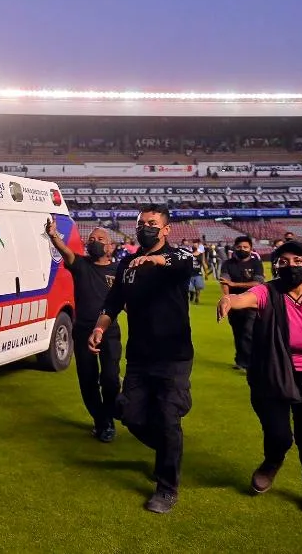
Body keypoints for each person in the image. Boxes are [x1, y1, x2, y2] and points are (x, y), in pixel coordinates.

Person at [216, 241, 302, 516]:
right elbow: (246, 299)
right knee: (279, 435)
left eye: (298, 261)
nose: (291, 266)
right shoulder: (268, 292)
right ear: (275, 266)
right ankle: (271, 462)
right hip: (272, 376)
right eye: (284, 261)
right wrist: (229, 299)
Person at [89, 205, 194, 514]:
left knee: (166, 415)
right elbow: (113, 302)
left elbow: (185, 261)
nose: (144, 228)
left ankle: (166, 486)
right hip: (139, 356)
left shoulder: (178, 259)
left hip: (173, 354)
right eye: (140, 223)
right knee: (128, 413)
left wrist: (157, 260)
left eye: (151, 223)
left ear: (165, 229)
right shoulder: (127, 265)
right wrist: (99, 327)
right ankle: (167, 448)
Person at [46, 220, 121, 442]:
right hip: (82, 332)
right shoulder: (80, 265)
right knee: (88, 380)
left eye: (100, 240)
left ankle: (108, 415)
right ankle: (102, 422)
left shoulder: (118, 271)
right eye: (91, 239)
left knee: (110, 379)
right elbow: (66, 252)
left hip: (110, 332)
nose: (94, 242)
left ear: (110, 247)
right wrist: (53, 236)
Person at [219, 236, 266, 372]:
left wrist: (234, 284)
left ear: (251, 249)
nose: (242, 249)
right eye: (239, 247)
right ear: (234, 247)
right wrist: (227, 298)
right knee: (238, 332)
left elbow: (258, 283)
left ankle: (250, 362)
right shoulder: (228, 263)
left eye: (245, 247)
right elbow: (224, 281)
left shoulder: (256, 263)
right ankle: (240, 361)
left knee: (248, 331)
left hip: (252, 302)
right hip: (234, 303)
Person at [187, 240, 206, 305]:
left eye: (196, 244)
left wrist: (206, 273)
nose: (194, 245)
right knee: (190, 288)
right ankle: (192, 294)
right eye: (194, 244)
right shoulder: (189, 253)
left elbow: (203, 262)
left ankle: (197, 298)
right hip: (189, 273)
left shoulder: (201, 253)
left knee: (198, 287)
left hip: (198, 273)